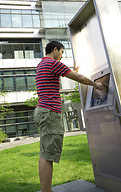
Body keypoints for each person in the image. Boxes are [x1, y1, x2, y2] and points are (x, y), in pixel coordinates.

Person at [34, 41, 103, 192]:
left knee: (45, 152)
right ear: (55, 49)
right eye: (62, 52)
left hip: (42, 110)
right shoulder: (52, 63)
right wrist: (95, 84)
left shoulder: (42, 64)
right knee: (48, 154)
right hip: (49, 112)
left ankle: (47, 190)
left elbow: (58, 78)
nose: (62, 55)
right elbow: (79, 78)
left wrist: (73, 71)